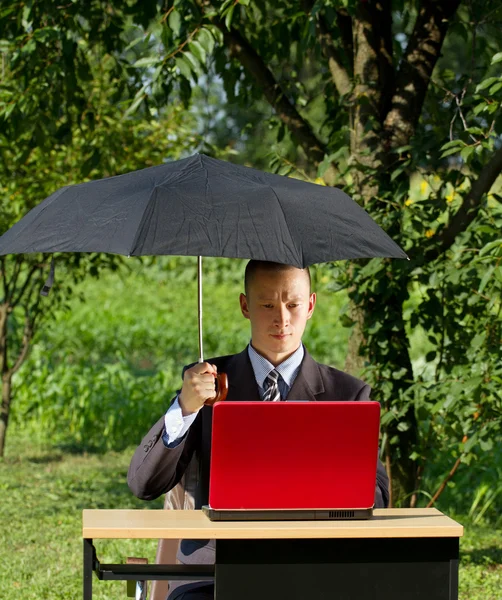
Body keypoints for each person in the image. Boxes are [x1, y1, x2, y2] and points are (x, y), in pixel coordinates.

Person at [128, 260, 390, 600]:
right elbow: (143, 484)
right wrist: (185, 407)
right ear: (245, 306)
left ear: (310, 305)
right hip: (213, 574)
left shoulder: (348, 393)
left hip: (312, 571)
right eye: (267, 304)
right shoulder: (206, 385)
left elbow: (378, 496)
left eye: (292, 304)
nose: (281, 319)